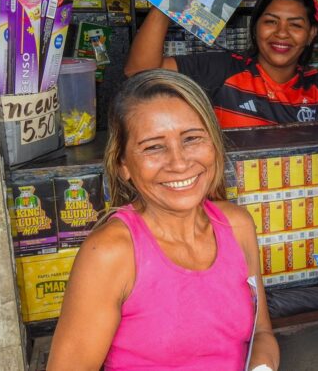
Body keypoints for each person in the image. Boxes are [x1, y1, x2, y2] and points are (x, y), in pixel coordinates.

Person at [47, 71, 279, 370]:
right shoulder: (111, 252)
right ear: (123, 165)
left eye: (192, 138)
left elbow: (261, 334)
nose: (179, 162)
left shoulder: (236, 225)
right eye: (154, 146)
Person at [126, 0, 318, 129]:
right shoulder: (223, 69)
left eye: (296, 25)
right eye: (270, 21)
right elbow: (139, 72)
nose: (281, 32)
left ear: (311, 34)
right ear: (255, 27)